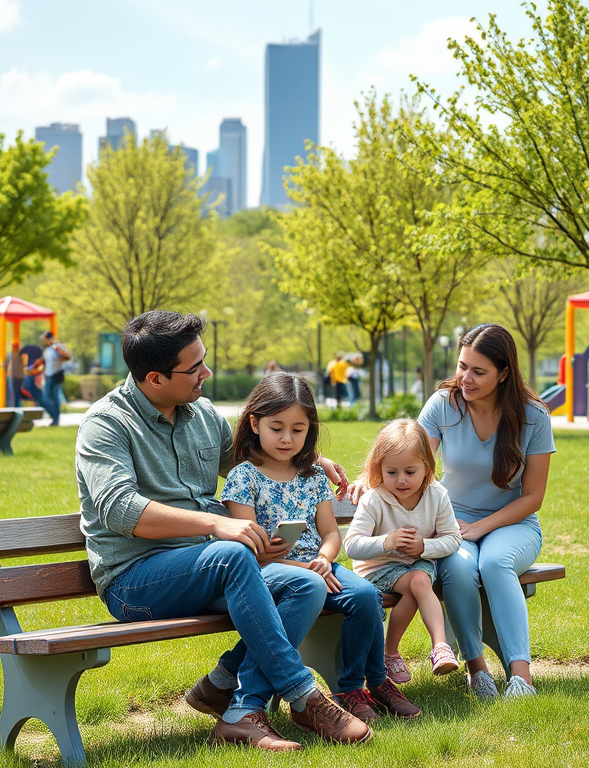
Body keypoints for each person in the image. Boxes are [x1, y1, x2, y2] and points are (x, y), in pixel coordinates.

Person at [76, 310, 370, 751]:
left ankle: (233, 701)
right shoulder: (107, 425)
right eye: (194, 368)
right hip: (135, 580)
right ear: (154, 378)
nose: (206, 374)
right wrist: (216, 523)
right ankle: (303, 695)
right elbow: (121, 510)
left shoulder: (201, 414)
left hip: (208, 566)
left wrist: (307, 461)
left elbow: (255, 462)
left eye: (204, 361)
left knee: (306, 585)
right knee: (232, 554)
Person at [222, 372, 421, 723]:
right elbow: (248, 550)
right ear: (254, 423)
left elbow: (330, 533)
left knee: (366, 596)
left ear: (309, 429)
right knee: (345, 591)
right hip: (270, 571)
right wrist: (308, 569)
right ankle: (347, 689)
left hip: (319, 568)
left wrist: (325, 559)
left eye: (298, 430)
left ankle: (362, 685)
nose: (287, 438)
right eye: (277, 428)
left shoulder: (311, 477)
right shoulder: (244, 476)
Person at [417, 324, 555, 700]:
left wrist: (479, 528)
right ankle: (477, 670)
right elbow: (411, 460)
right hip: (453, 522)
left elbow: (533, 497)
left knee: (495, 563)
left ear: (504, 373)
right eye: (462, 366)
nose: (465, 378)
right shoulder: (443, 405)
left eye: (479, 371)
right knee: (459, 567)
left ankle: (521, 677)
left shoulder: (534, 417)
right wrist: (370, 479)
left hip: (515, 523)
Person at [344, 419, 462, 684]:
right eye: (392, 472)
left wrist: (424, 546)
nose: (401, 480)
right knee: (417, 583)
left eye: (410, 471)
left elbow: (453, 538)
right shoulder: (374, 499)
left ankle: (436, 648)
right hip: (378, 568)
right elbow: (351, 545)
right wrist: (387, 541)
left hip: (417, 563)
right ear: (379, 468)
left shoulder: (436, 495)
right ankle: (395, 651)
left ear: (427, 468)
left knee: (418, 581)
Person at [41, 331, 70, 426]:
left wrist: (58, 350)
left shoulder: (58, 347)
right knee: (45, 398)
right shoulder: (47, 349)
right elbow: (45, 362)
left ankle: (56, 419)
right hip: (48, 375)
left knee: (55, 396)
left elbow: (67, 357)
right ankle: (54, 415)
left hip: (57, 375)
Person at [6, 342, 25, 407]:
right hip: (20, 376)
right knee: (17, 392)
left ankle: (16, 406)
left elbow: (6, 364)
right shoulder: (21, 355)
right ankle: (17, 405)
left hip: (14, 376)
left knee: (14, 392)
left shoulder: (11, 355)